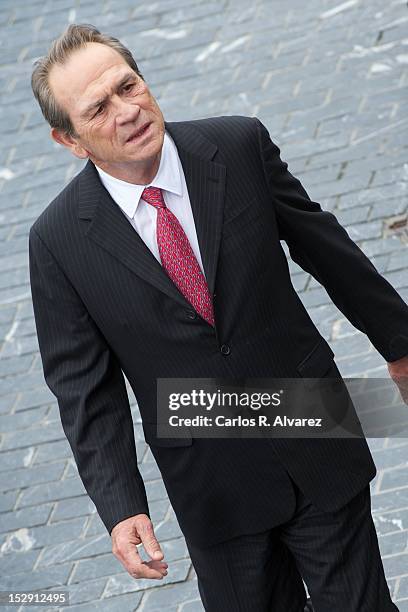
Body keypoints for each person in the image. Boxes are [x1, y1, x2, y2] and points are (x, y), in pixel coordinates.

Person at [28, 24, 407, 612]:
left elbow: (327, 249)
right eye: (99, 109)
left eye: (128, 86)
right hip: (210, 478)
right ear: (69, 140)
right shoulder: (57, 241)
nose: (127, 111)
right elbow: (83, 388)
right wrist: (122, 504)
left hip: (311, 424)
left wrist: (399, 342)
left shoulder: (238, 146)